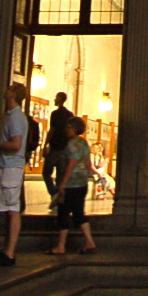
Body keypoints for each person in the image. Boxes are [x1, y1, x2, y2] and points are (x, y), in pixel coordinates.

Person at [0, 82, 28, 268]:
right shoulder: (10, 116)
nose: (5, 90)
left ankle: (9, 253)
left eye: (9, 88)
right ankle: (6, 251)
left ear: (13, 94)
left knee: (12, 209)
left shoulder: (16, 118)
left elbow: (16, 145)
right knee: (8, 210)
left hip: (11, 167)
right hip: (6, 166)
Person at [49, 117, 97, 256]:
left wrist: (62, 183)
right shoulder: (84, 143)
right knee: (78, 213)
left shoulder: (71, 145)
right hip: (82, 184)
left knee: (63, 213)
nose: (66, 129)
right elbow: (88, 163)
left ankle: (61, 246)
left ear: (75, 129)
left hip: (71, 184)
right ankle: (89, 242)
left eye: (69, 127)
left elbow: (71, 164)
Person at [43, 91, 73, 208]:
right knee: (61, 177)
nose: (55, 100)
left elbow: (52, 130)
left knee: (46, 173)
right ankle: (59, 201)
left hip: (55, 148)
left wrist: (45, 144)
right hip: (65, 149)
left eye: (56, 98)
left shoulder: (55, 114)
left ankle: (54, 193)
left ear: (60, 99)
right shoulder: (69, 114)